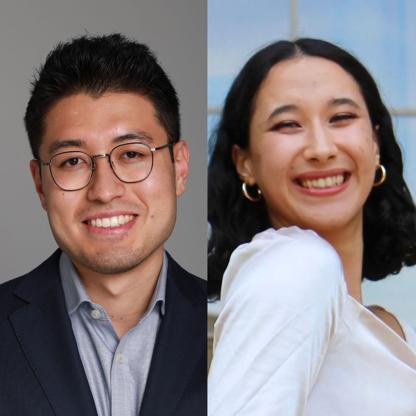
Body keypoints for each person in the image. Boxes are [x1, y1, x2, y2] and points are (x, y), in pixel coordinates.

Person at [0, 34, 206, 416]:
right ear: (39, 184)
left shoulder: (234, 323)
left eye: (131, 154)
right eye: (73, 161)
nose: (105, 190)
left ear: (180, 167)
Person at [208, 38, 416, 415]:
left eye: (341, 118)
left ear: (375, 142)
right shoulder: (294, 266)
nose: (321, 148)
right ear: (245, 163)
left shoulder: (389, 328)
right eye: (287, 124)